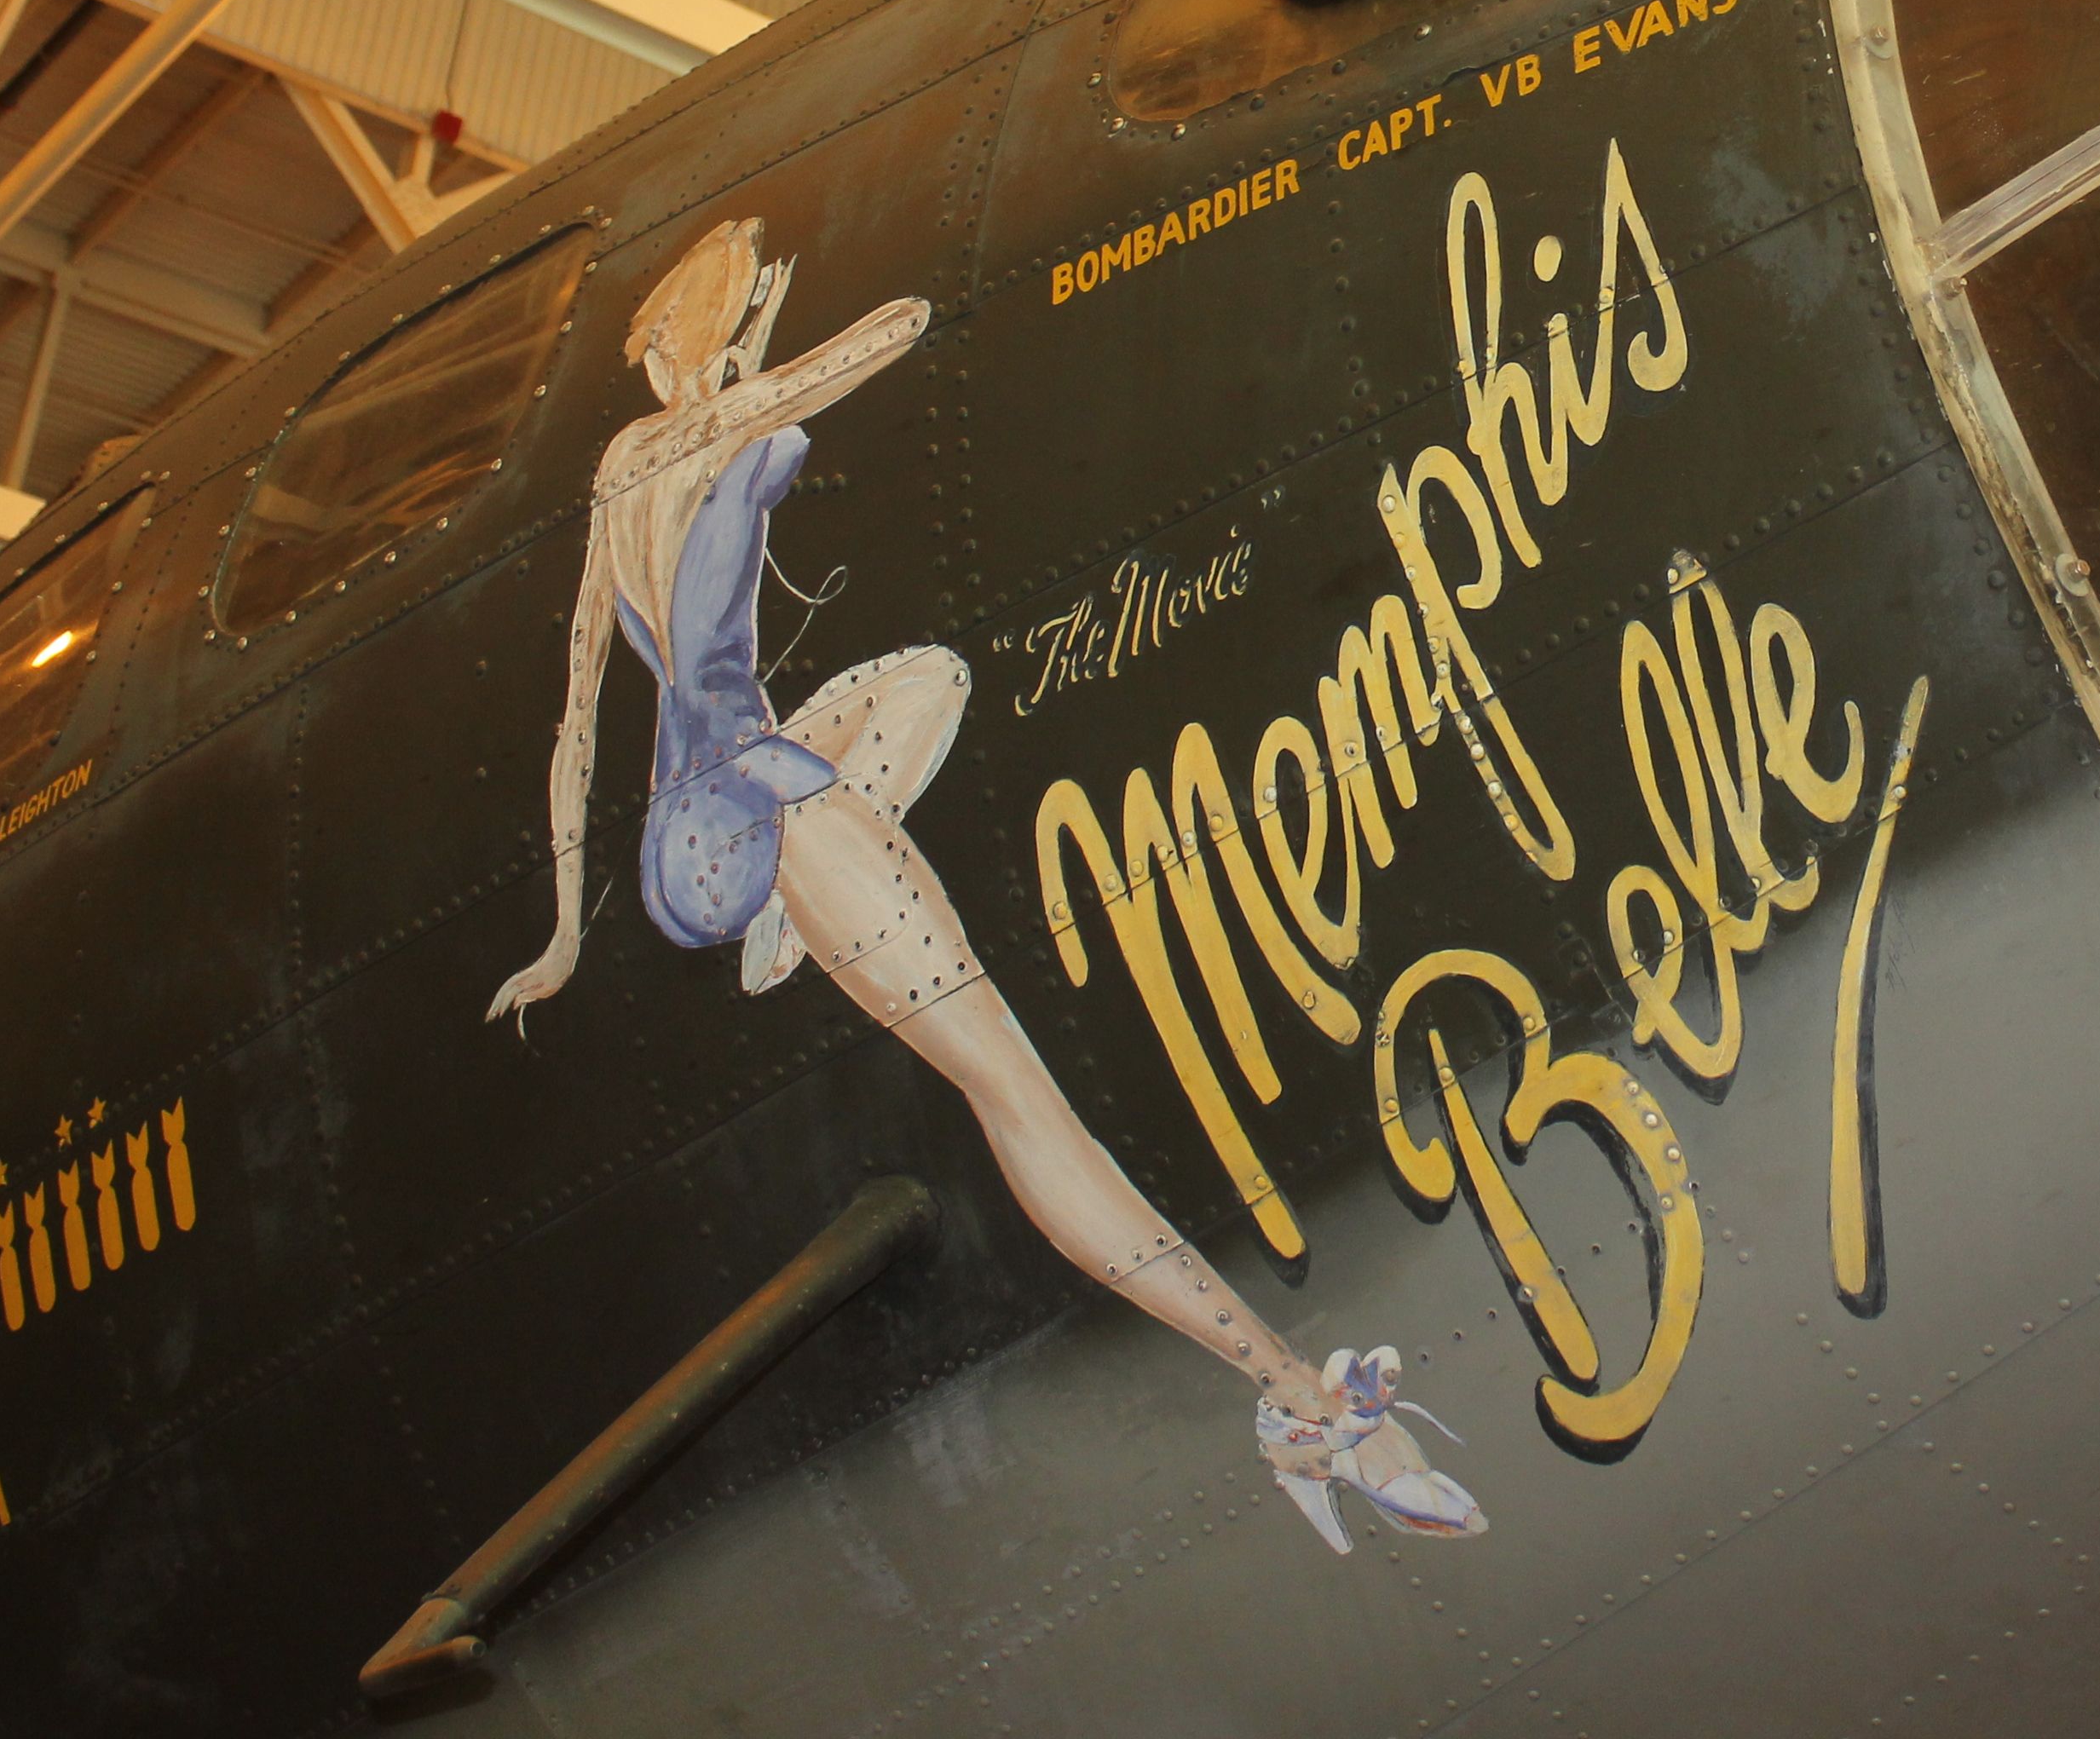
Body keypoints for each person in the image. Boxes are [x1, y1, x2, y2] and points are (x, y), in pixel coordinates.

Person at [483, 217, 1482, 1554]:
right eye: (705, 331)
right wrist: (771, 373)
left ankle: (785, 912)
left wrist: (560, 936)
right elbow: (896, 325)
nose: (705, 353)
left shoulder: (616, 472)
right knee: (1012, 1084)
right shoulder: (711, 424)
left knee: (928, 679)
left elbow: (576, 728)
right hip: (755, 802)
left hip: (698, 814)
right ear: (693, 343)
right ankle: (1285, 1390)